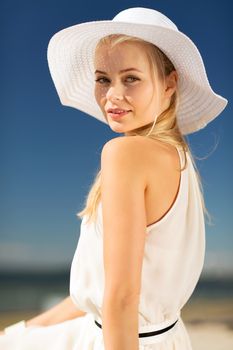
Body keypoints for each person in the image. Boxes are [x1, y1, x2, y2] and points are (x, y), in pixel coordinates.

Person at [0, 6, 228, 350]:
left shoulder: (124, 154)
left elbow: (121, 298)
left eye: (131, 78)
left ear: (169, 83)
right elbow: (101, 292)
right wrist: (21, 330)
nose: (113, 95)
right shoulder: (180, 161)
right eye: (103, 79)